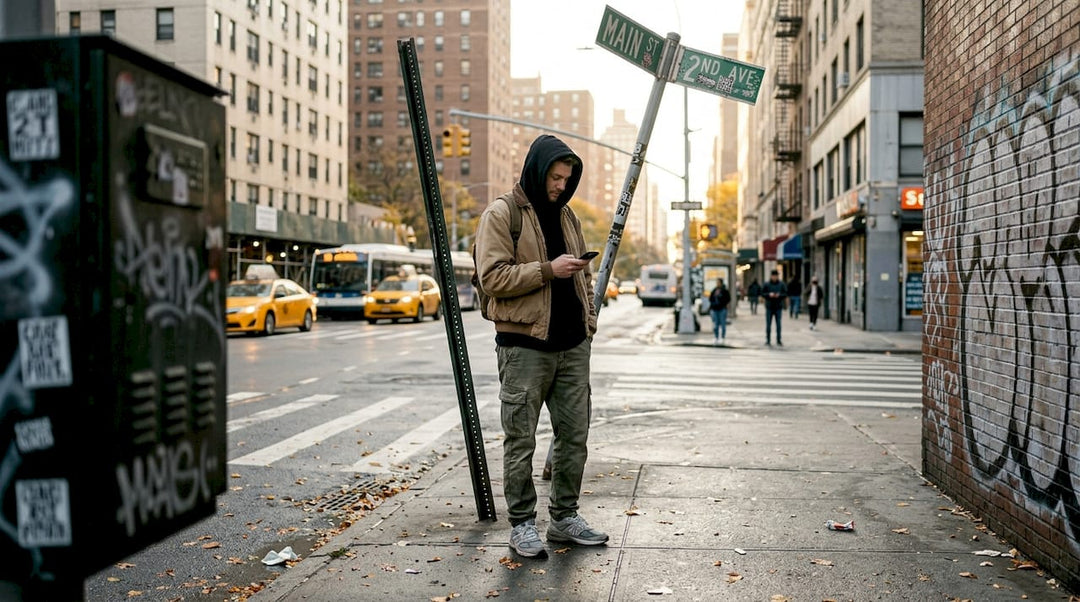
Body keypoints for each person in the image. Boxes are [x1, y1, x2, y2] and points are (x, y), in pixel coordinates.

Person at [474, 134, 608, 559]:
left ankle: (564, 518)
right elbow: (493, 277)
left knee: (575, 436)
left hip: (572, 347)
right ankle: (522, 525)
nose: (561, 186)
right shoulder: (502, 213)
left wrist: (588, 322)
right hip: (525, 346)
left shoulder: (568, 217)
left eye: (567, 179)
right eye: (555, 177)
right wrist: (548, 270)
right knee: (521, 439)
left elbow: (582, 279)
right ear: (537, 169)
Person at [761, 270, 787, 346]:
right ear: (771, 276)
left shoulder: (781, 284)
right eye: (773, 276)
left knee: (778, 324)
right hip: (769, 306)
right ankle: (768, 340)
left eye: (776, 276)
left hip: (778, 307)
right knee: (768, 325)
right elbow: (762, 293)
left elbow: (785, 293)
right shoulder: (767, 284)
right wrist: (769, 295)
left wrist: (779, 295)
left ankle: (778, 339)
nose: (775, 277)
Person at [708, 278, 731, 345]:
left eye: (718, 282)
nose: (717, 283)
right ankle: (716, 337)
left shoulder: (724, 291)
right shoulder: (714, 290)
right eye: (716, 282)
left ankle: (723, 337)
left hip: (722, 309)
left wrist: (724, 304)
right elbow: (711, 298)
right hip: (715, 309)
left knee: (723, 324)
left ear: (721, 283)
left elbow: (728, 298)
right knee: (716, 324)